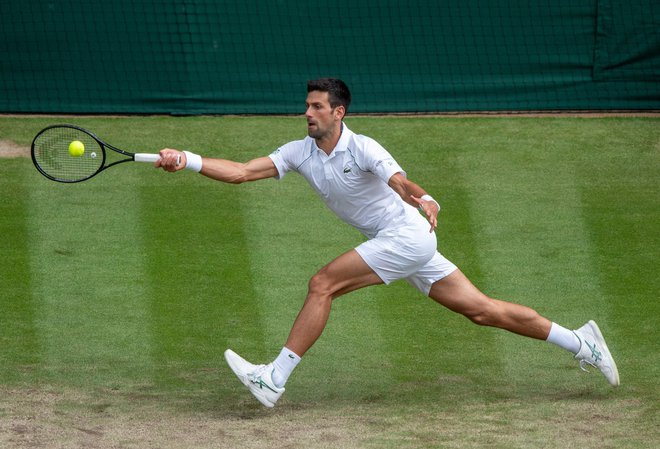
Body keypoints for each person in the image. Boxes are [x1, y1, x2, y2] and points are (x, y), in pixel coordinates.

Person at [155, 78, 619, 408]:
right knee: (482, 310)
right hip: (401, 242)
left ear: (339, 112)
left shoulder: (364, 148)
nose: (308, 113)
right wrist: (187, 159)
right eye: (307, 106)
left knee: (323, 284)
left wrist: (426, 197)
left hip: (406, 236)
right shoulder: (299, 152)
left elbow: (400, 182)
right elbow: (240, 172)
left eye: (317, 107)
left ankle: (274, 378)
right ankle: (581, 343)